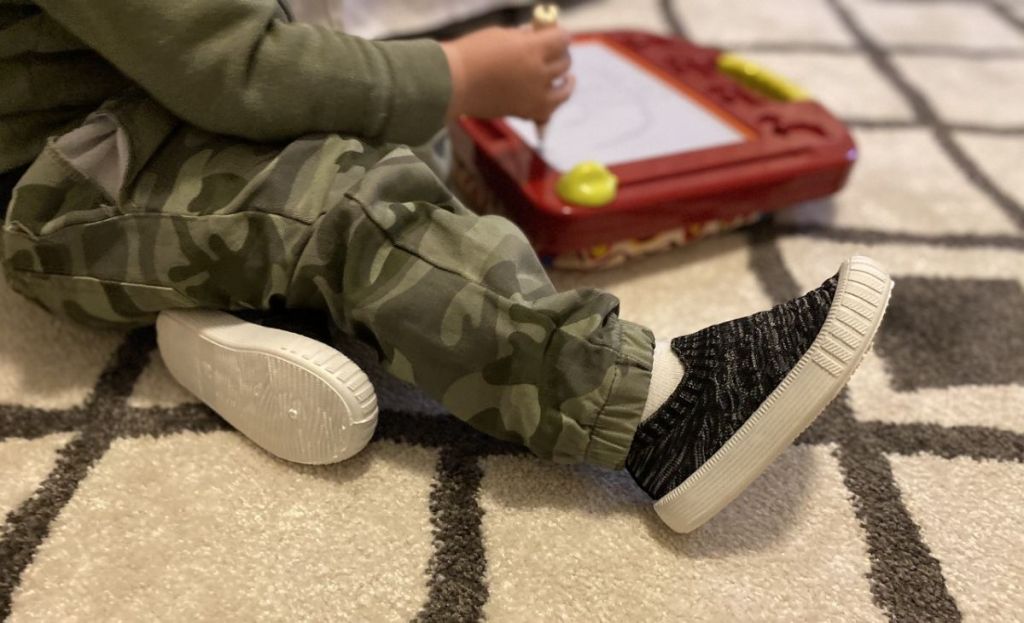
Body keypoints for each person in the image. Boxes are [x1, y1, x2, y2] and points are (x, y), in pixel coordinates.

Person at [0, 0, 891, 533]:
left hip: (146, 115)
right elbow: (239, 70)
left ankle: (249, 306)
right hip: (63, 189)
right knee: (356, 203)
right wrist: (460, 71)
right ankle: (659, 410)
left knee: (395, 132)